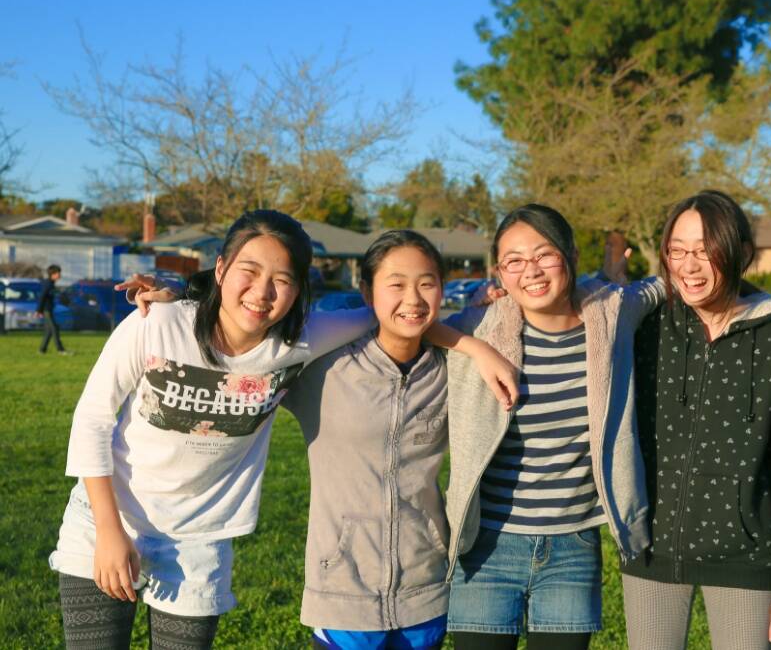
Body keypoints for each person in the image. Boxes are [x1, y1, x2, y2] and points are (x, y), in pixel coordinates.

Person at [49, 210, 380, 649]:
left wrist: (464, 335)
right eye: (249, 271)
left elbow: (389, 313)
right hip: (105, 520)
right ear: (221, 269)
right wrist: (110, 532)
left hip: (199, 542)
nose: (262, 292)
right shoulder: (158, 323)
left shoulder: (300, 341)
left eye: (282, 279)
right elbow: (92, 419)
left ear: (299, 289)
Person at [442, 204, 665, 650]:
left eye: (544, 254)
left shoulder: (612, 312)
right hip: (488, 546)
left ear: (571, 255)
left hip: (572, 548)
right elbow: (412, 324)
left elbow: (669, 282)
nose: (531, 271)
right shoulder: (483, 324)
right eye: (514, 261)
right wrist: (476, 349)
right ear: (499, 272)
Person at [620, 190, 771, 649]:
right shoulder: (649, 325)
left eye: (704, 251)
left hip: (746, 555)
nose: (689, 266)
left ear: (741, 253)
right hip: (651, 548)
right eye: (677, 250)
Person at [282, 230, 462, 649]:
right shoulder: (324, 366)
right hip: (343, 589)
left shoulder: (451, 368)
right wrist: (178, 300)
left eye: (427, 283)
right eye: (396, 284)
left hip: (426, 586)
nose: (413, 299)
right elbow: (243, 335)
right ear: (367, 292)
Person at [38, 263, 68, 355]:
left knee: (49, 331)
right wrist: (39, 310)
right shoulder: (48, 284)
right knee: (55, 329)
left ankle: (42, 350)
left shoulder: (51, 284)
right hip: (46, 310)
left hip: (49, 309)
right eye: (58, 273)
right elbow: (42, 297)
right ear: (53, 274)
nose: (60, 275)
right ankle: (60, 350)